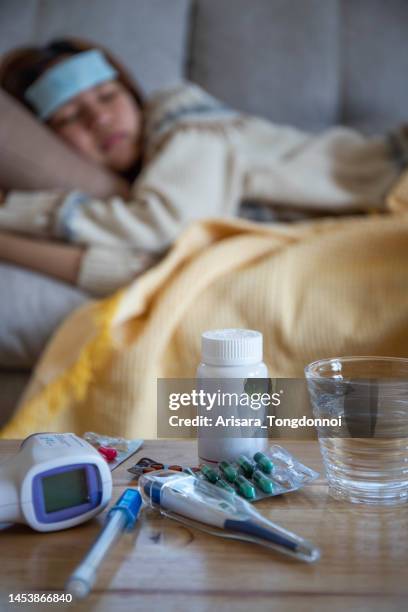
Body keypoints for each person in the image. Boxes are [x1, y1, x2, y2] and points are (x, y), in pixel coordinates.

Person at [0, 39, 406, 296]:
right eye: (70, 116)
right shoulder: (145, 182)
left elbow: (166, 226)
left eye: (108, 95)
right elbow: (151, 270)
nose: (100, 119)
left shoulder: (186, 123)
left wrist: (16, 211)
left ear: (133, 93)